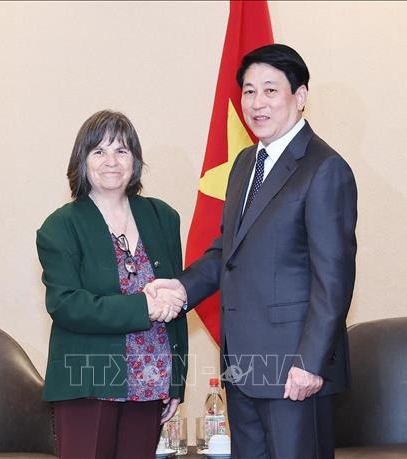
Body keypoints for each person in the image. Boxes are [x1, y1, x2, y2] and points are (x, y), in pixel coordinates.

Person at [148, 44, 357, 458]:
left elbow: (333, 279)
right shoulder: (245, 163)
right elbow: (228, 251)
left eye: (270, 90)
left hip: (294, 372)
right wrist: (183, 289)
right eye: (248, 91)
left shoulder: (324, 168)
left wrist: (310, 363)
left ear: (300, 96)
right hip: (243, 367)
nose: (257, 103)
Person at [36, 110, 188, 458]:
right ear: (82, 160)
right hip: (88, 381)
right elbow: (66, 304)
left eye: (122, 150)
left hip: (152, 378)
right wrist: (143, 307)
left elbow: (176, 297)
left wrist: (176, 380)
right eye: (99, 151)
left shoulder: (162, 217)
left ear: (135, 160)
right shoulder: (61, 226)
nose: (111, 161)